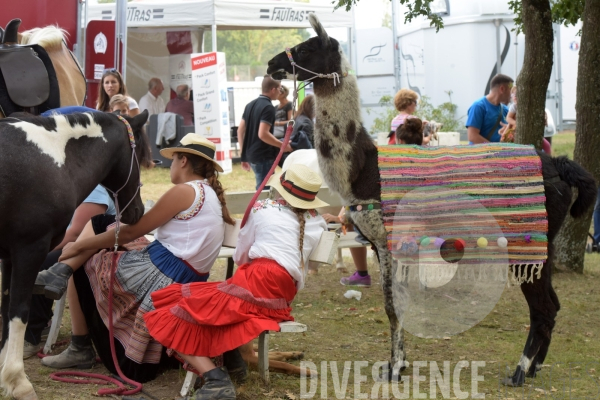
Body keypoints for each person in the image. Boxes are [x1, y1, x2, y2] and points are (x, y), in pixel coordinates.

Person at [34, 134, 235, 382]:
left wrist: (78, 247)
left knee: (99, 228)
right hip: (182, 277)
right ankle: (61, 275)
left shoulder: (184, 191)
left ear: (183, 161)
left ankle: (66, 289)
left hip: (162, 278)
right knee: (105, 226)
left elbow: (131, 231)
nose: (170, 166)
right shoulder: (208, 193)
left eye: (172, 160)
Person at [143, 164, 328, 399]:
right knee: (197, 303)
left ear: (280, 189)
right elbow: (310, 265)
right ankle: (231, 367)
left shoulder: (262, 209)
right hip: (280, 296)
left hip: (255, 282)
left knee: (173, 312)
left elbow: (241, 257)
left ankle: (215, 378)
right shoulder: (317, 222)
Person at [24, 185, 116, 358]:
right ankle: (21, 322)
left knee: (37, 262)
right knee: (14, 260)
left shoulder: (95, 188)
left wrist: (37, 249)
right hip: (73, 245)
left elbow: (76, 233)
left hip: (89, 249)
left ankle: (32, 334)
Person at [238, 75, 292, 189]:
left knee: (265, 188)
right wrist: (282, 145)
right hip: (263, 156)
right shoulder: (268, 107)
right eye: (279, 89)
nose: (280, 92)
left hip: (252, 155)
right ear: (273, 89)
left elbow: (240, 130)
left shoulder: (250, 105)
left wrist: (243, 155)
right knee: (264, 191)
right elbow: (263, 134)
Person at [500, 86, 552, 154]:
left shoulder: (530, 106)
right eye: (513, 95)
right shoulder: (514, 106)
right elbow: (508, 118)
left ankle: (549, 161)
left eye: (517, 95)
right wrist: (516, 123)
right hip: (516, 131)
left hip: (532, 132)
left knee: (547, 145)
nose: (515, 97)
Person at [466, 74, 513, 144]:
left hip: (499, 153)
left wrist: (508, 130)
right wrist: (494, 149)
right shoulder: (478, 106)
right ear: (502, 89)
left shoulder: (506, 110)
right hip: (480, 154)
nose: (512, 94)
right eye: (511, 90)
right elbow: (472, 136)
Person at [279, 95, 315, 167]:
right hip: (301, 160)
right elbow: (307, 146)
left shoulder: (297, 118)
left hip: (292, 158)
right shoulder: (306, 122)